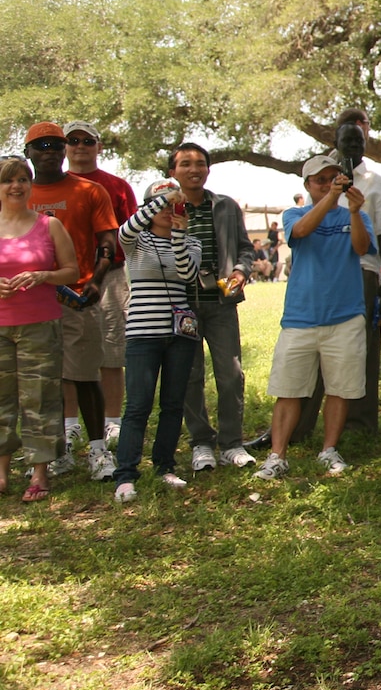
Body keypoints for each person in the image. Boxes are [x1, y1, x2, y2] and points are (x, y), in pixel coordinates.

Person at [253, 155, 372, 480]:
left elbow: (362, 249)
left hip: (346, 316)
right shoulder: (294, 214)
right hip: (300, 318)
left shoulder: (356, 212)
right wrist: (333, 197)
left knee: (340, 388)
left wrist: (353, 212)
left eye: (333, 177)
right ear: (307, 185)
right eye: (320, 180)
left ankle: (328, 449)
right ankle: (277, 455)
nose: (327, 183)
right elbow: (302, 232)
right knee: (288, 389)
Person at [290, 107, 381, 442]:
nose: (352, 146)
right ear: (335, 142)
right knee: (313, 347)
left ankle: (359, 423)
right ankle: (301, 423)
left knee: (361, 347)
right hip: (320, 275)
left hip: (362, 272)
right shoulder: (323, 181)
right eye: (346, 140)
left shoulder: (378, 185)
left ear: (366, 143)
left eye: (358, 140)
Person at [25, 122, 120, 481]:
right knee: (40, 382)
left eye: (56, 145)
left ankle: (98, 452)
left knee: (83, 376)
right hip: (29, 301)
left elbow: (107, 241)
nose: (50, 150)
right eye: (41, 145)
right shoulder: (16, 193)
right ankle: (53, 453)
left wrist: (96, 280)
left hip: (75, 297)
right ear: (29, 152)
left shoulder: (90, 191)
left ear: (64, 151)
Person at [112, 180, 202, 502]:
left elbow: (187, 273)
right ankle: (125, 474)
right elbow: (124, 231)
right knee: (137, 406)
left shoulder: (191, 242)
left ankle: (165, 465)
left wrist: (179, 231)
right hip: (142, 333)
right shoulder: (136, 242)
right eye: (160, 204)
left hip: (181, 335)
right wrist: (162, 199)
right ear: (148, 207)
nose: (167, 210)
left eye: (173, 204)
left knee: (172, 404)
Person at [171, 143, 258, 471]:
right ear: (173, 171)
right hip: (182, 305)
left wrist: (240, 271)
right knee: (189, 375)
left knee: (230, 373)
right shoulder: (166, 208)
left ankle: (231, 443)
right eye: (185, 164)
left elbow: (246, 249)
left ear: (208, 169)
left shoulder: (225, 207)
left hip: (221, 304)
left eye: (200, 163)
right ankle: (201, 443)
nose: (194, 169)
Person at [0, 157, 79, 503]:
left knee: (40, 399)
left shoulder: (49, 226)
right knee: (1, 402)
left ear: (31, 185)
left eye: (22, 179)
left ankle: (40, 474)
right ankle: (0, 473)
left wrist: (42, 276)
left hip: (40, 326)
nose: (16, 186)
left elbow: (72, 272)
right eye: (7, 181)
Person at [63, 121, 136, 446]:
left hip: (109, 277)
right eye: (72, 140)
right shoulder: (48, 184)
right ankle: (69, 423)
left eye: (87, 141)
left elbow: (134, 234)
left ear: (99, 146)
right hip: (61, 282)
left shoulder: (117, 186)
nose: (80, 146)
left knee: (110, 350)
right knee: (64, 355)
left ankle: (111, 421)